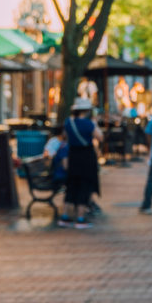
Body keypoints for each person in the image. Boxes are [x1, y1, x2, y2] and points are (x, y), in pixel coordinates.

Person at [60, 97, 103, 229]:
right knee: (85, 185)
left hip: (73, 155)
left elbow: (64, 136)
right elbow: (100, 137)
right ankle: (80, 218)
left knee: (72, 184)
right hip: (86, 156)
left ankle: (65, 216)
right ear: (86, 110)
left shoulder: (68, 122)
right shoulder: (88, 124)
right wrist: (95, 124)